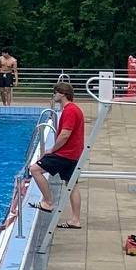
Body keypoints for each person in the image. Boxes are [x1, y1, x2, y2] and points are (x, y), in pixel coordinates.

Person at [27, 81, 85, 229]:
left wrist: (52, 149)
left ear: (63, 94)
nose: (54, 95)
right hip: (74, 153)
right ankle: (75, 220)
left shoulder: (70, 111)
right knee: (71, 184)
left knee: (34, 169)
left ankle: (48, 202)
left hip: (65, 153)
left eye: (55, 92)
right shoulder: (74, 109)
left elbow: (65, 135)